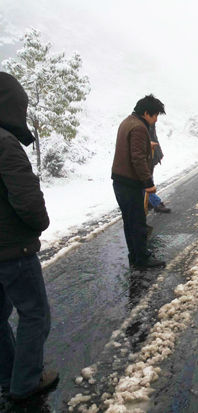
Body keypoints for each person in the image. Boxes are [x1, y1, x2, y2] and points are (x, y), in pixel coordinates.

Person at [0, 72, 59, 400]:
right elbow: (26, 199)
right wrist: (39, 223)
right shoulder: (5, 143)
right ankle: (25, 384)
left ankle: (9, 378)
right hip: (13, 250)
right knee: (35, 314)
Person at [111, 95, 166, 270]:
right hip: (130, 183)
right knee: (138, 222)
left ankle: (135, 255)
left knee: (130, 221)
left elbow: (133, 149)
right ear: (146, 112)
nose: (156, 119)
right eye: (155, 114)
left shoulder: (128, 122)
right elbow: (138, 158)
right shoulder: (139, 128)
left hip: (120, 181)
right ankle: (142, 259)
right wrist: (148, 183)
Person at [147, 124, 171, 213]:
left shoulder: (150, 124)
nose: (156, 119)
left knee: (148, 180)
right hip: (145, 158)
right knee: (146, 181)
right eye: (155, 115)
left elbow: (154, 138)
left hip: (151, 156)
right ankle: (155, 203)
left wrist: (158, 153)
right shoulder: (141, 125)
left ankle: (150, 202)